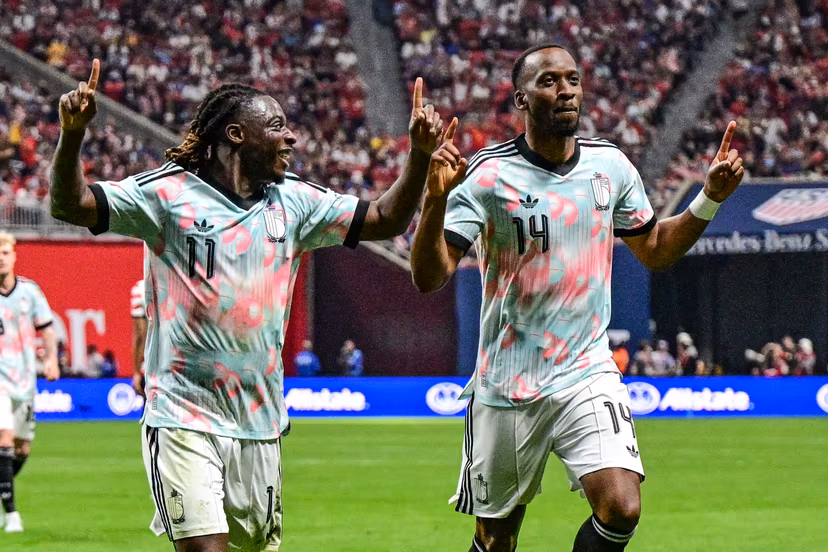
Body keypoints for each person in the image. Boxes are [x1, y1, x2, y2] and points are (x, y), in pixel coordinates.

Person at [50, 59, 445, 552]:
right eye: (277, 126)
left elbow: (385, 219)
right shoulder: (168, 196)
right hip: (181, 413)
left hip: (258, 421)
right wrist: (71, 138)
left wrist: (420, 155)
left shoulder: (295, 202)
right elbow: (71, 205)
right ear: (237, 135)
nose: (292, 138)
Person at [410, 42, 745, 552]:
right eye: (548, 81)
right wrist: (434, 201)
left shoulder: (609, 166)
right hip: (508, 381)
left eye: (572, 79)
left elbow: (653, 250)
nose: (565, 90)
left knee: (621, 507)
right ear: (520, 100)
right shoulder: (487, 175)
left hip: (586, 369)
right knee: (497, 539)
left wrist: (709, 199)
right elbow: (430, 276)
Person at [0, 231, 59, 532]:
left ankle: (2, 487)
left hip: (24, 379)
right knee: (4, 439)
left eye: (5, 252)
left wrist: (50, 359)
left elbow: (47, 329)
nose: (1, 257)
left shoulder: (30, 292)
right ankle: (12, 515)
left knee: (22, 448)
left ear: (14, 256)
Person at [131, 278, 148, 397]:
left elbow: (140, 335)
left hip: (150, 367)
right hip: (177, 363)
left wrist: (137, 372)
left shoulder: (140, 289)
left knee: (152, 410)